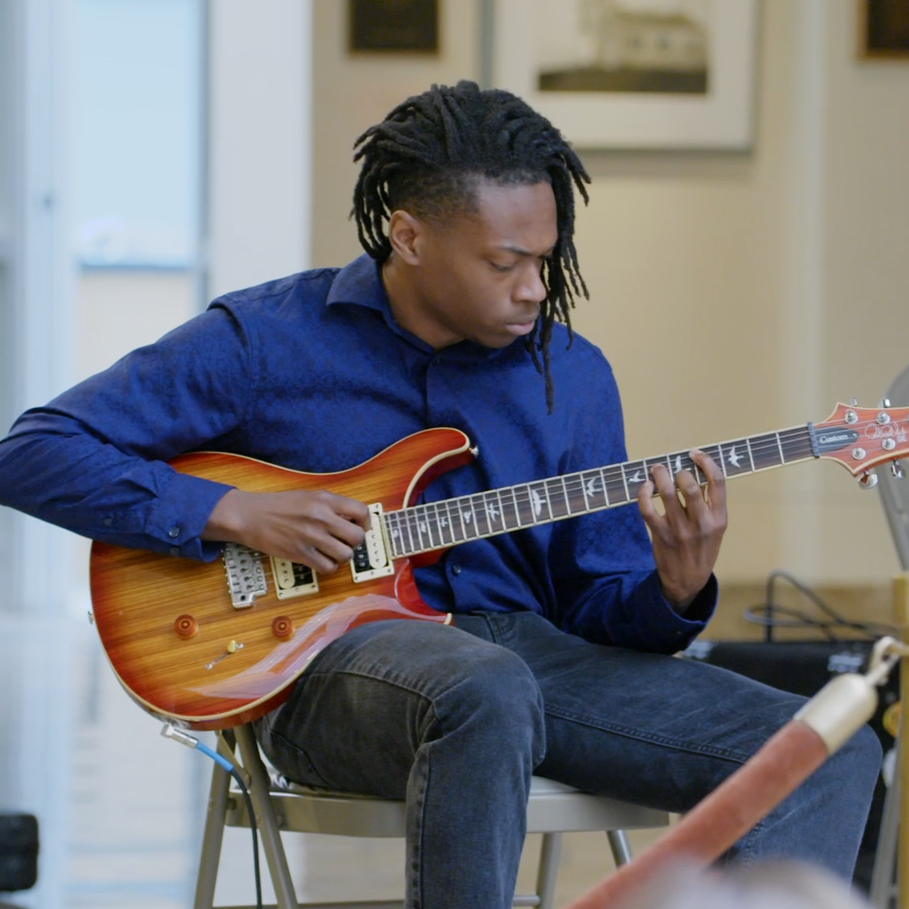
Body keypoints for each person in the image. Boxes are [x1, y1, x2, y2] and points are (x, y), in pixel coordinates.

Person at [0, 81, 881, 908]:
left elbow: (602, 608)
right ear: (409, 235)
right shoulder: (263, 339)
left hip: (534, 659)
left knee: (829, 748)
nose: (535, 287)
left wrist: (677, 585)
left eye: (546, 257)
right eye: (505, 262)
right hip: (322, 667)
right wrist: (229, 510)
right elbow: (33, 451)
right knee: (485, 687)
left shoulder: (568, 376)